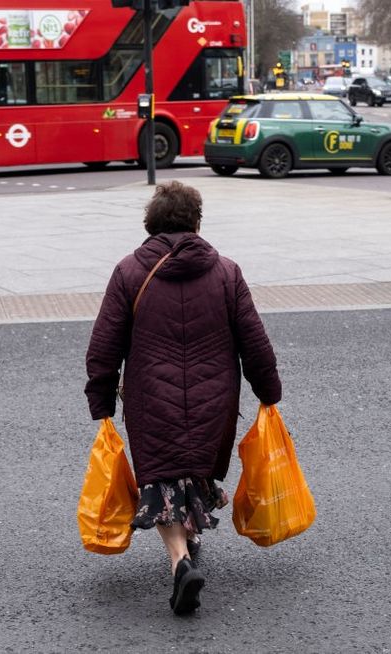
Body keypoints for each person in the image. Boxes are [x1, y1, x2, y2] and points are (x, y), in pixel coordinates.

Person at [84, 181, 282, 616]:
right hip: (216, 396)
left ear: (150, 225)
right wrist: (268, 390)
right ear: (196, 223)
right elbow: (255, 341)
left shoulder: (129, 272)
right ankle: (190, 539)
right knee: (194, 463)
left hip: (151, 397)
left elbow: (104, 344)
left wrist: (101, 398)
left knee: (161, 475)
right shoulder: (226, 271)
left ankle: (179, 561)